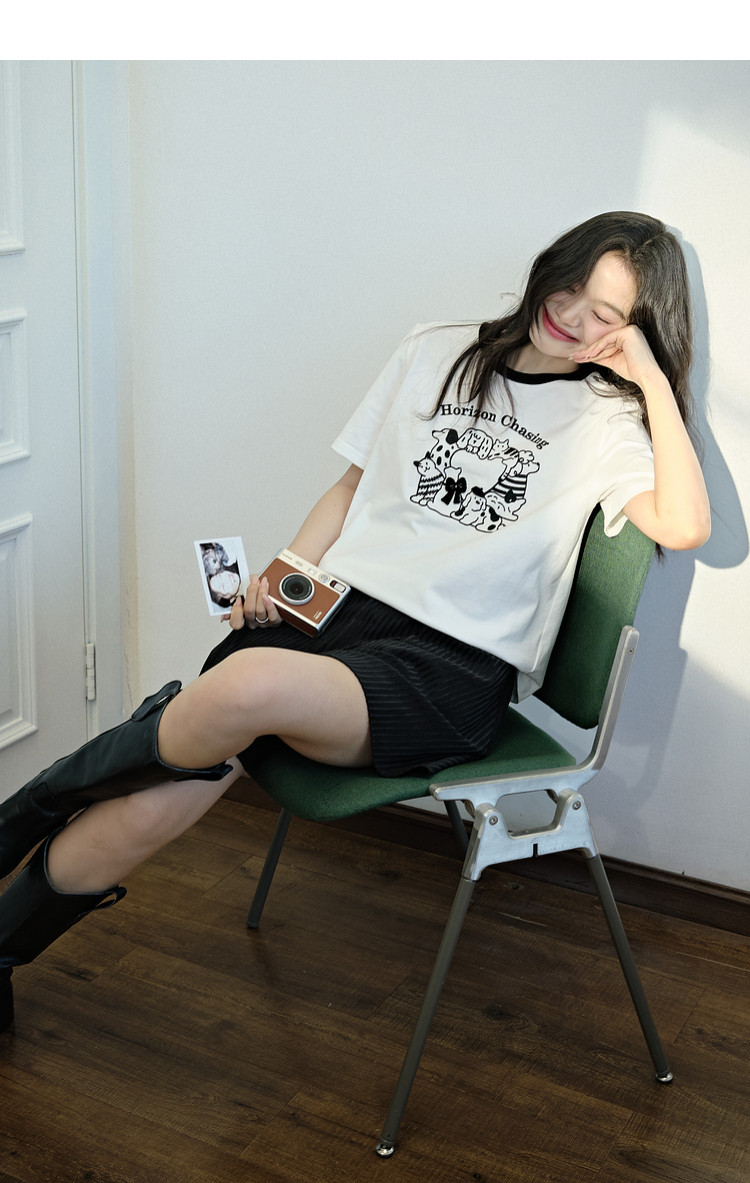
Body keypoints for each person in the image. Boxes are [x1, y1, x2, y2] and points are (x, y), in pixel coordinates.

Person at [0, 211, 711, 1033]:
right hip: (337, 611)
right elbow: (349, 488)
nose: (573, 315)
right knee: (183, 768)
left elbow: (685, 525)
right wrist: (283, 577)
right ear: (554, 263)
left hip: (450, 668)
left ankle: (24, 812)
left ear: (635, 330)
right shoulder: (436, 348)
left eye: (607, 313)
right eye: (573, 285)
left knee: (240, 685)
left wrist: (650, 379)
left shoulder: (605, 418)